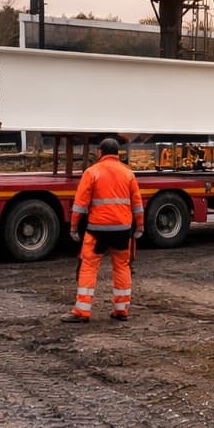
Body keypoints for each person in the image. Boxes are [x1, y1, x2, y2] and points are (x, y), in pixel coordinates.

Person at [62, 138, 144, 323]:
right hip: (122, 230)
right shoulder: (128, 173)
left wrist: (74, 227)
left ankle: (82, 311)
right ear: (118, 154)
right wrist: (140, 226)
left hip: (97, 230)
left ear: (100, 152)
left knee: (89, 266)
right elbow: (137, 204)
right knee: (122, 267)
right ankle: (121, 310)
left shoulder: (92, 172)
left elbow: (80, 204)